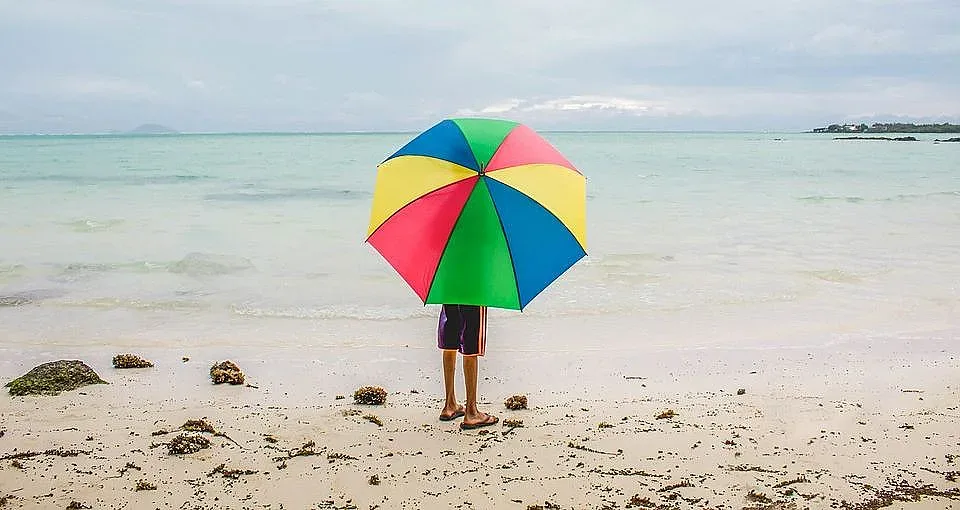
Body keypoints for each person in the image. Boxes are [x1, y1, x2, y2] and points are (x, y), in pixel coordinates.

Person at [437, 304, 499, 430]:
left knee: (450, 334)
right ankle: (471, 412)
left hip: (449, 285)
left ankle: (450, 404)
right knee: (471, 340)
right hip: (473, 289)